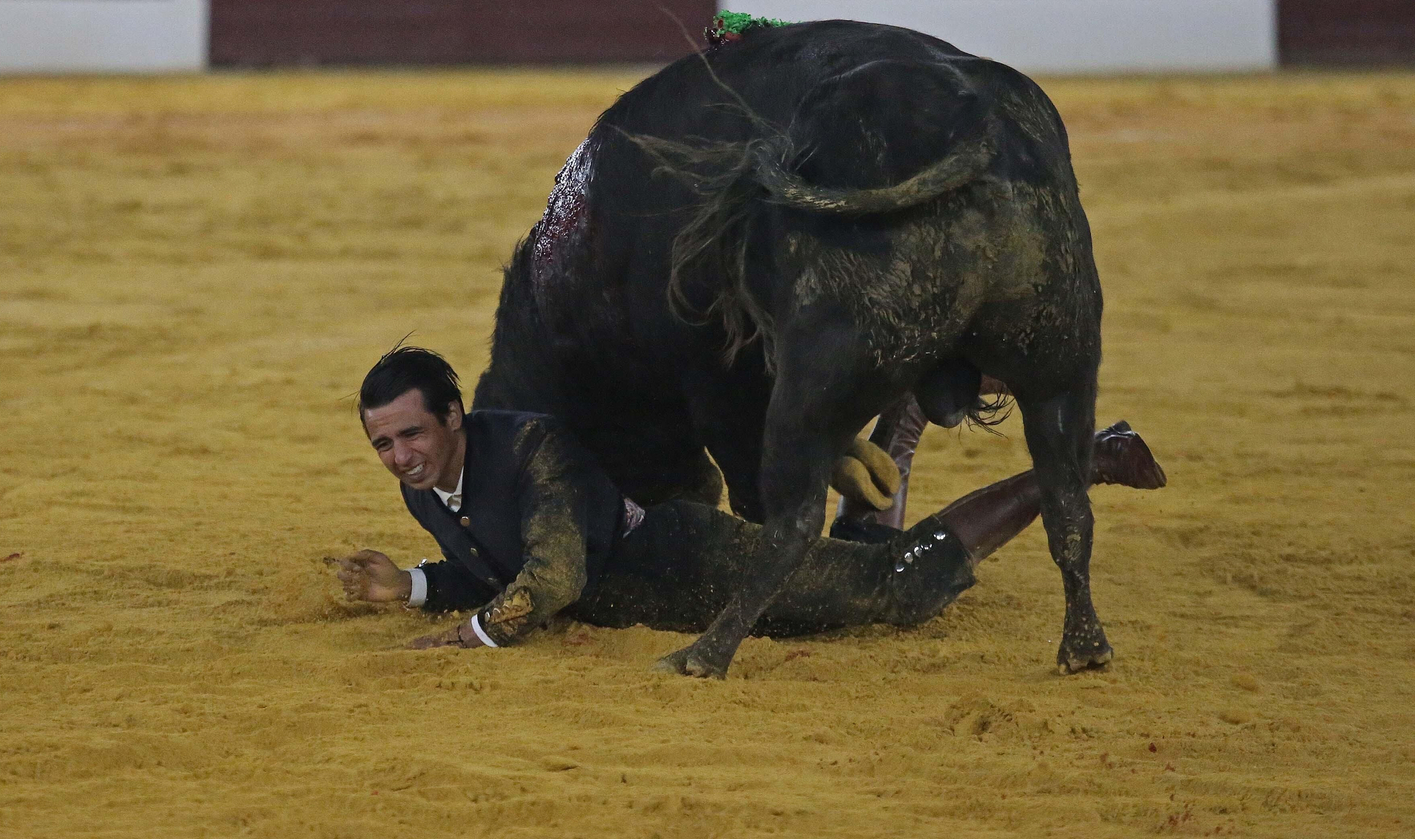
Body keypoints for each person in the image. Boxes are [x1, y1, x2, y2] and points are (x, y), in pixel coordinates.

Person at [336, 346, 1164, 650]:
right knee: (864, 560)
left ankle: (1084, 461)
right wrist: (407, 586)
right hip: (675, 600)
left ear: (453, 416)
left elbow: (549, 580)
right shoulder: (428, 490)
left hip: (705, 563)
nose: (399, 457)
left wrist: (456, 640)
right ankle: (905, 413)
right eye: (383, 444)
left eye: (410, 435)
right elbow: (491, 568)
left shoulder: (530, 451)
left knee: (898, 591)